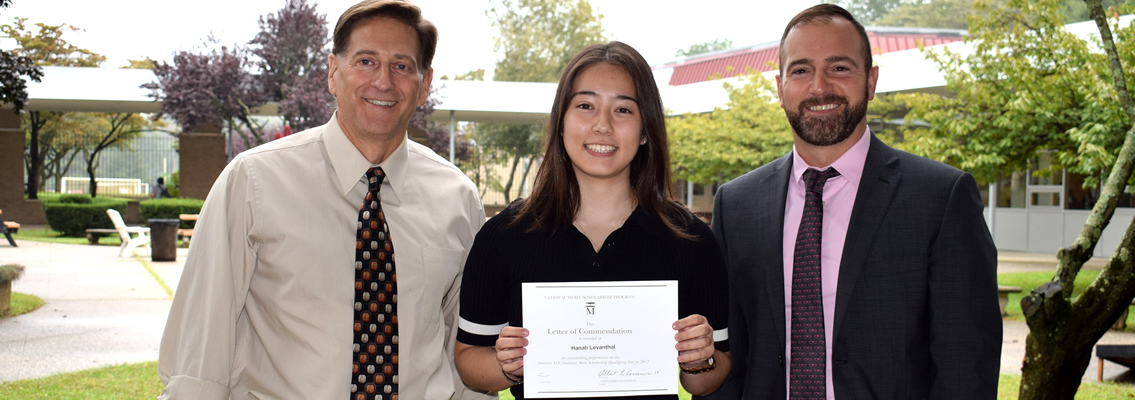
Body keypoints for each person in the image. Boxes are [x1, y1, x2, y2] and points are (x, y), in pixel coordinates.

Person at [157, 1, 488, 399]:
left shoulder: (458, 198)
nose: (383, 81)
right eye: (366, 61)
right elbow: (200, 350)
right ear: (333, 72)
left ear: (425, 84)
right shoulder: (254, 182)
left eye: (401, 66)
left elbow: (465, 350)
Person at [707, 4, 1000, 399]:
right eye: (801, 70)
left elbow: (966, 364)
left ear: (872, 80)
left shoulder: (941, 198)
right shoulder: (736, 204)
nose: (819, 86)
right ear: (780, 87)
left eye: (840, 67)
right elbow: (728, 355)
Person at [452, 42, 731, 400]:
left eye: (623, 110)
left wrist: (699, 359)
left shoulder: (691, 239)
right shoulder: (504, 235)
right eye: (585, 106)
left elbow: (711, 375)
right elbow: (469, 360)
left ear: (646, 130)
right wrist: (506, 366)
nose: (602, 125)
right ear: (561, 122)